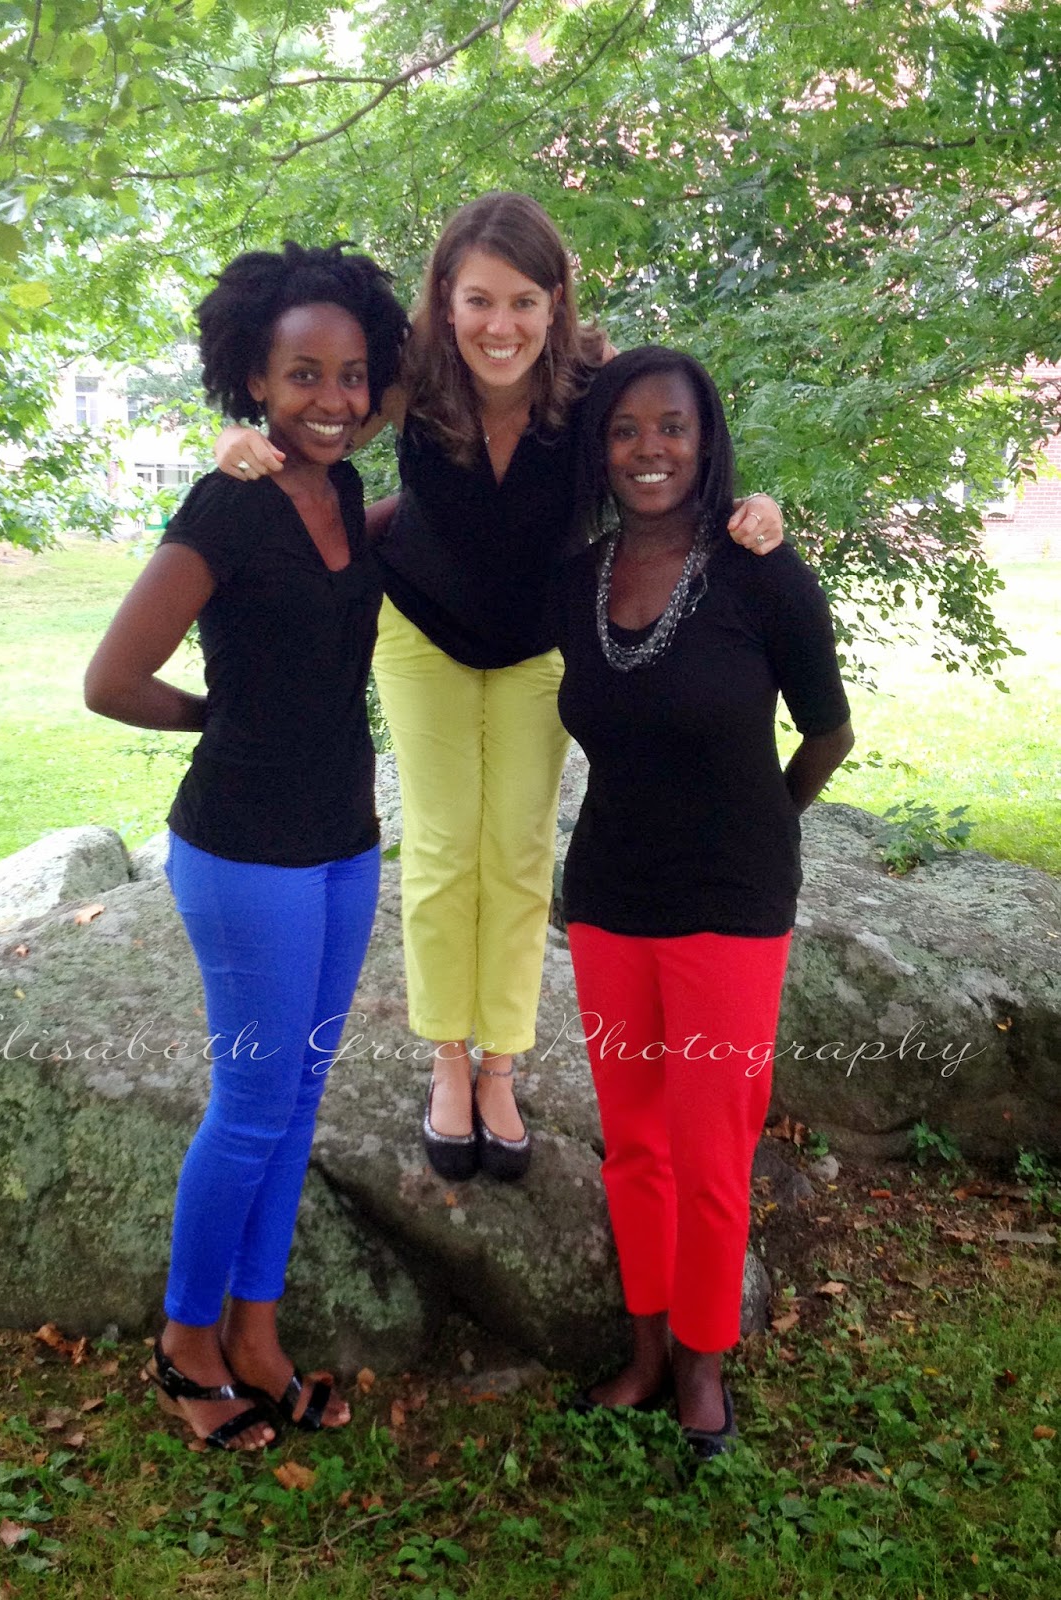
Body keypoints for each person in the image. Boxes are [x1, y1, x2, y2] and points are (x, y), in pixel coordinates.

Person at [212, 194, 785, 1184]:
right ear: (446, 296)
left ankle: (501, 1066)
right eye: (479, 299)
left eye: (524, 300)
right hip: (422, 634)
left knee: (517, 852)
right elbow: (318, 426)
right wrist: (235, 442)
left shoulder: (593, 384)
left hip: (539, 646)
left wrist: (753, 508)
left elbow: (666, 462)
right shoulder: (410, 377)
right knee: (443, 845)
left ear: (556, 299)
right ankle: (447, 1057)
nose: (501, 325)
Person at [84, 243, 410, 1449]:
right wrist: (219, 718)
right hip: (245, 852)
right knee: (254, 1102)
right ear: (254, 380)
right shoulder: (229, 503)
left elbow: (420, 406)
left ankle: (258, 1335)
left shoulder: (343, 490)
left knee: (300, 1092)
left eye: (351, 374)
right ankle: (185, 1345)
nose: (331, 397)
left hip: (343, 844)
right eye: (301, 374)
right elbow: (112, 679)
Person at [552, 346, 853, 1456]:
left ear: (706, 440)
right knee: (633, 1144)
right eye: (625, 429)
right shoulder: (574, 578)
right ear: (600, 449)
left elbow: (828, 733)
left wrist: (763, 821)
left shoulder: (762, 571)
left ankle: (703, 1365)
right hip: (610, 899)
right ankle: (644, 1351)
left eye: (671, 427)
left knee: (712, 1150)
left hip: (730, 905)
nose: (649, 450)